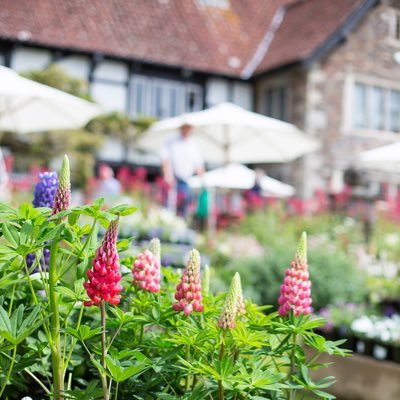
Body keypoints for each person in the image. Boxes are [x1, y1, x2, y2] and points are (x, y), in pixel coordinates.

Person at [160, 123, 204, 218]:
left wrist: (203, 181)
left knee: (184, 207)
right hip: (173, 180)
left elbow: (199, 165)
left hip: (187, 181)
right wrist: (168, 175)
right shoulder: (171, 140)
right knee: (169, 207)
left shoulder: (193, 143)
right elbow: (165, 159)